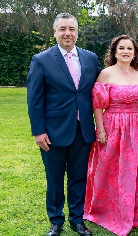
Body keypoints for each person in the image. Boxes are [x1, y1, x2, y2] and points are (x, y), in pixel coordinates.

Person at [27, 13, 101, 236]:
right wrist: (39, 131)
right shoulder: (41, 60)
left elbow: (98, 89)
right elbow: (34, 99)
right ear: (55, 32)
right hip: (53, 131)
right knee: (55, 178)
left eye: (71, 29)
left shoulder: (90, 59)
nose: (67, 33)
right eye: (62, 29)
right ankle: (56, 221)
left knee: (79, 177)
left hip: (83, 130)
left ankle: (77, 220)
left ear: (77, 32)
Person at [83, 35, 138, 236]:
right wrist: (100, 130)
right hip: (112, 127)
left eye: (130, 48)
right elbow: (97, 106)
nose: (126, 51)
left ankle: (133, 212)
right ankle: (106, 210)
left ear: (135, 52)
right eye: (122, 48)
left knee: (134, 169)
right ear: (115, 52)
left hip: (136, 127)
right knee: (109, 170)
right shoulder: (105, 74)